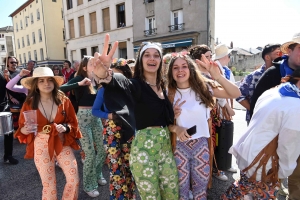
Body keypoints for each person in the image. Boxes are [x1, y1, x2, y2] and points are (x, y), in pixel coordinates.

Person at [92, 34, 179, 199]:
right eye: (147, 55)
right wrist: (104, 73)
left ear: (161, 61)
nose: (152, 58)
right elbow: (117, 81)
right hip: (143, 150)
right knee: (151, 197)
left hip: (165, 148)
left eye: (156, 55)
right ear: (140, 60)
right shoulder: (135, 85)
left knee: (172, 194)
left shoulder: (164, 87)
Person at [167, 52, 241, 199]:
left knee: (200, 189)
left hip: (201, 145)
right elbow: (163, 123)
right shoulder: (168, 93)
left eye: (184, 66)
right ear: (171, 72)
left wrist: (218, 76)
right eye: (175, 67)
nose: (180, 70)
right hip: (179, 146)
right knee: (181, 189)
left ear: (191, 69)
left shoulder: (204, 88)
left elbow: (235, 93)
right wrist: (175, 126)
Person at [221, 69, 300, 199]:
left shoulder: (273, 91)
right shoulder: (296, 105)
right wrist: (285, 171)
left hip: (249, 154)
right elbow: (288, 146)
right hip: (264, 165)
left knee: (245, 193)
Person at [14, 67, 82, 200]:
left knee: (74, 178)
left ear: (54, 82)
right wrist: (25, 130)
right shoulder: (29, 103)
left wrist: (66, 127)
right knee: (49, 185)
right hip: (41, 144)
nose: (46, 83)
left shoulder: (64, 100)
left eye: (50, 80)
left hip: (61, 141)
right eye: (41, 81)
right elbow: (21, 128)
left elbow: (73, 122)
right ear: (36, 84)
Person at [249, 33, 300, 200]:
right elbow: (256, 103)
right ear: (290, 50)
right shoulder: (273, 72)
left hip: (295, 137)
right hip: (273, 142)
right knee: (272, 178)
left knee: (297, 180)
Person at [60, 56, 107, 198]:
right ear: (85, 67)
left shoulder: (98, 80)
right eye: (92, 64)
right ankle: (89, 185)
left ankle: (97, 174)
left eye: (95, 63)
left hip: (96, 118)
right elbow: (60, 88)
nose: (95, 65)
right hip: (82, 119)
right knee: (90, 154)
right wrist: (79, 84)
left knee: (103, 151)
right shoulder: (79, 78)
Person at [92, 58, 136, 200]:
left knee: (130, 170)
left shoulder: (130, 90)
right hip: (112, 132)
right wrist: (108, 115)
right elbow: (95, 110)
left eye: (115, 76)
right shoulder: (103, 90)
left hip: (130, 131)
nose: (110, 78)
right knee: (116, 171)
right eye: (109, 75)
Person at [236, 44, 281, 125]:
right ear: (267, 57)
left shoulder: (284, 74)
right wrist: (254, 109)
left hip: (277, 121)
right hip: (256, 121)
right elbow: (238, 94)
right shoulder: (254, 76)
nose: (281, 56)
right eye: (278, 53)